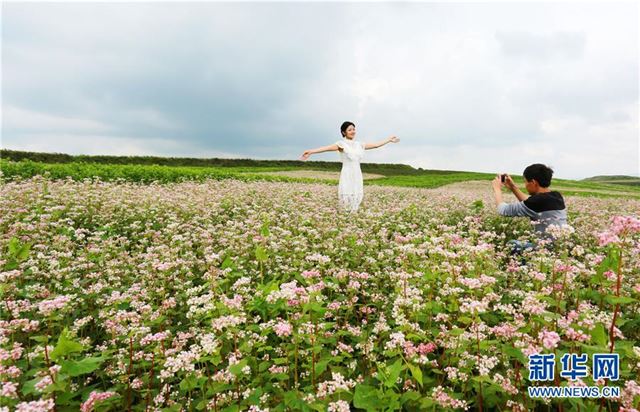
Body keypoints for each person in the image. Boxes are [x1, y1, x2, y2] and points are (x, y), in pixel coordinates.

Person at [300, 121, 400, 212]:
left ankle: (353, 214)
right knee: (347, 196)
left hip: (357, 173)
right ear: (344, 132)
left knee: (356, 196)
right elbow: (327, 148)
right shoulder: (341, 144)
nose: (353, 131)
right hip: (347, 173)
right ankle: (345, 215)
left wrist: (389, 140)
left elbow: (376, 145)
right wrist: (311, 151)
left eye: (353, 129)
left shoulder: (359, 144)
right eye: (350, 130)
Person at [492, 163, 568, 253]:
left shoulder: (536, 202)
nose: (525, 185)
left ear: (533, 182)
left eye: (525, 182)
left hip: (543, 251)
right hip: (560, 248)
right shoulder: (556, 196)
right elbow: (530, 202)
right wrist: (512, 187)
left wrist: (497, 189)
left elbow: (502, 210)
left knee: (511, 244)